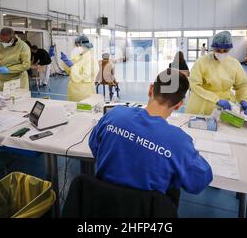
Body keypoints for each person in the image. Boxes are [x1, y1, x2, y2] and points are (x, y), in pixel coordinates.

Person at [89, 69, 212, 205]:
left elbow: (94, 146)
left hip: (100, 205)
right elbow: (198, 182)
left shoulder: (114, 115)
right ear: (179, 104)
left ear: (150, 89)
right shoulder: (178, 142)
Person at [186, 31, 247, 116]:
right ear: (213, 48)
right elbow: (194, 85)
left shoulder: (234, 64)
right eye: (218, 50)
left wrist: (243, 100)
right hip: (202, 104)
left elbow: (242, 85)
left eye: (225, 50)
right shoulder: (201, 62)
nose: (221, 53)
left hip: (225, 106)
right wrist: (216, 100)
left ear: (230, 49)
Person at [60, 35, 99, 102]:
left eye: (78, 46)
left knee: (84, 111)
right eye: (76, 46)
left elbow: (86, 75)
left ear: (84, 45)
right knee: (73, 110)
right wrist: (66, 62)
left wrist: (72, 67)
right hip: (74, 92)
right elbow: (70, 71)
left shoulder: (90, 58)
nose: (76, 48)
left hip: (85, 92)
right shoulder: (79, 56)